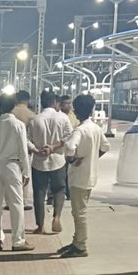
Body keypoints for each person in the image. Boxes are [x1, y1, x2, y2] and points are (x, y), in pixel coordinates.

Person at [60, 92, 109, 258]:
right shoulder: (96, 128)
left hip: (78, 177)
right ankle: (76, 241)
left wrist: (73, 160)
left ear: (76, 111)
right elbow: (105, 146)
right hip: (91, 175)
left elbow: (69, 149)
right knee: (80, 211)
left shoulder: (79, 130)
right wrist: (92, 157)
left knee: (79, 213)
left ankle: (80, 246)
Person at [0, 94, 34, 252]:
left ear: (0, 107)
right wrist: (26, 171)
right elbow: (23, 149)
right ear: (13, 106)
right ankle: (18, 241)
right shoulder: (18, 125)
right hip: (12, 166)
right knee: (16, 204)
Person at [28, 87, 73, 235]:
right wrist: (53, 147)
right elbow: (69, 136)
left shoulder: (35, 120)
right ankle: (57, 217)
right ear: (55, 102)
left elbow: (26, 140)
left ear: (41, 103)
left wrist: (37, 150)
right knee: (59, 190)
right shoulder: (63, 118)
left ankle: (40, 226)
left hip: (39, 162)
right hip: (58, 161)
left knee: (39, 194)